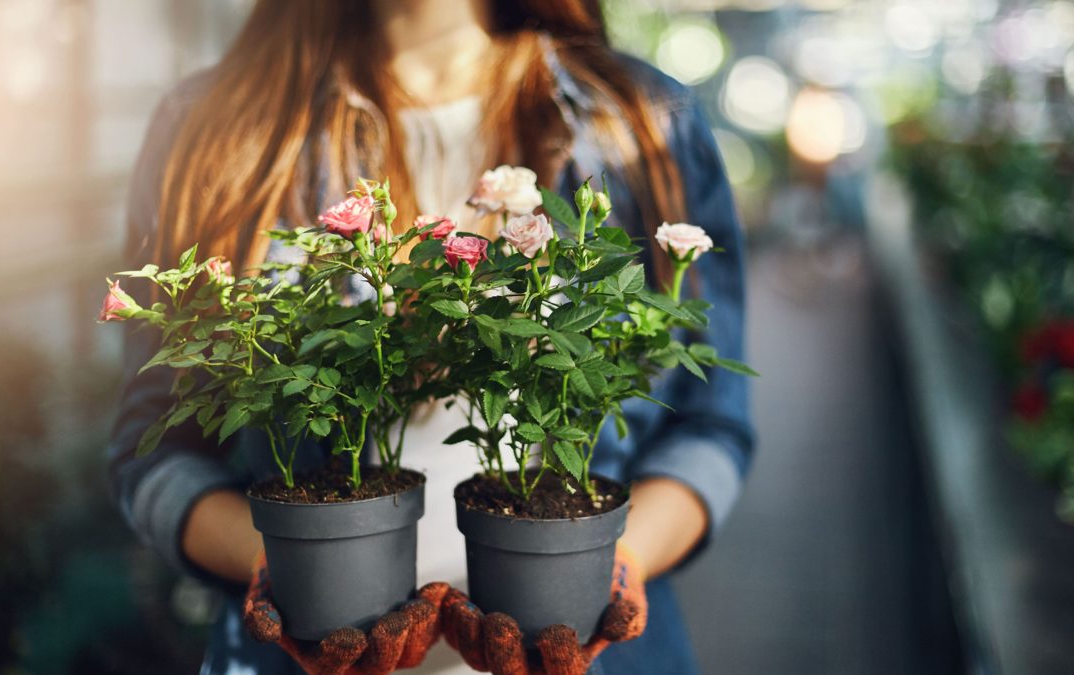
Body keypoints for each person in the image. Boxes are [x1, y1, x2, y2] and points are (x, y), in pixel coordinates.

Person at [106, 1, 754, 673]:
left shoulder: (642, 121)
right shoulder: (215, 124)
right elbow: (150, 450)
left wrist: (616, 561)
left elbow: (710, 427)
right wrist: (283, 565)